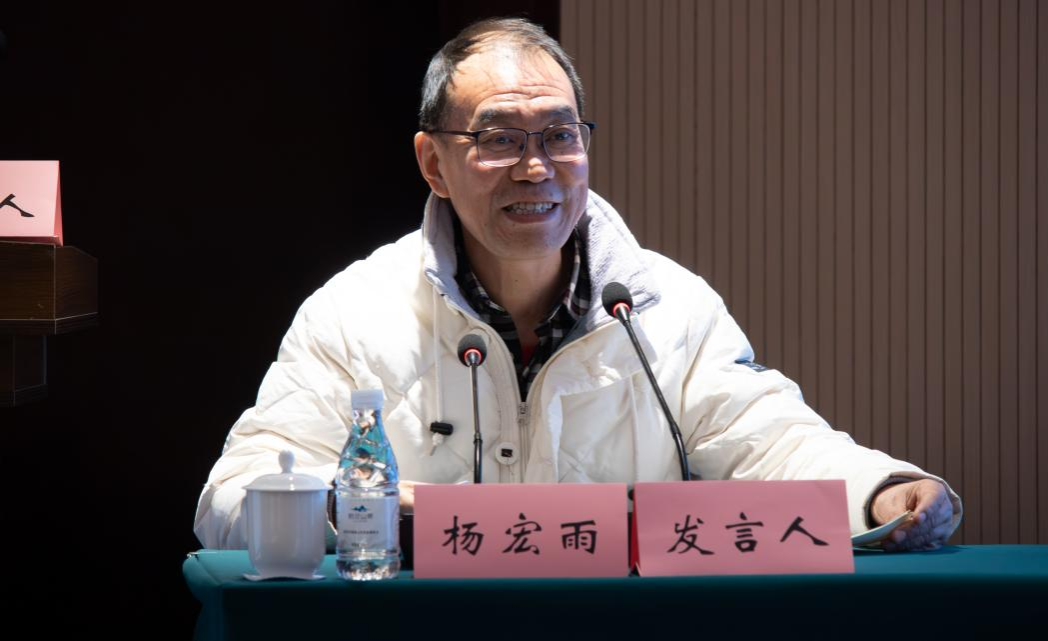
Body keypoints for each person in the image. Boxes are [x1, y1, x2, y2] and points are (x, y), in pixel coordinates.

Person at [194, 17, 961, 553]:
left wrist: (883, 490)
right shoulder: (353, 312)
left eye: (560, 135)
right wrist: (354, 506)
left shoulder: (667, 308)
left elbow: (772, 441)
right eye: (499, 139)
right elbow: (232, 496)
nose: (536, 168)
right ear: (434, 163)